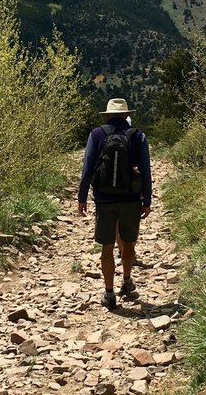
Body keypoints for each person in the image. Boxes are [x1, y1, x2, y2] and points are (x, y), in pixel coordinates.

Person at [78, 98, 152, 310]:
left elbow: (87, 168)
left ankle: (109, 293)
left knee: (107, 246)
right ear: (126, 115)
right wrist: (147, 200)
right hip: (130, 199)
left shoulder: (97, 134)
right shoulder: (138, 136)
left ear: (108, 115)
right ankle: (127, 281)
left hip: (104, 199)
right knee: (128, 243)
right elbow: (146, 171)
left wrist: (82, 197)